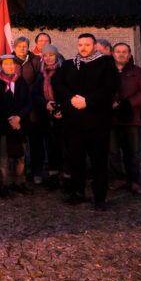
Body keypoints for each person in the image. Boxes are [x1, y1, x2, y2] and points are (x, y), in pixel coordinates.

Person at [53, 33, 119, 210]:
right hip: (74, 122)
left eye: (87, 45)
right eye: (80, 44)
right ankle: (78, 193)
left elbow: (109, 88)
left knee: (99, 161)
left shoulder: (106, 64)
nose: (83, 48)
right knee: (76, 160)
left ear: (94, 46)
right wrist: (71, 97)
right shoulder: (69, 65)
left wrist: (88, 101)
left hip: (97, 121)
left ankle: (100, 198)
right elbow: (57, 84)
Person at [109, 42, 141, 194]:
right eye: (118, 51)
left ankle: (134, 180)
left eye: (124, 52)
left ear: (129, 54)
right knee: (113, 151)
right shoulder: (108, 71)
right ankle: (118, 177)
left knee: (132, 152)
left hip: (131, 118)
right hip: (112, 118)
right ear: (113, 53)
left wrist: (128, 103)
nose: (121, 54)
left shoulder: (137, 72)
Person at [0, 54, 32, 197]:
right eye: (6, 64)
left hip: (20, 124)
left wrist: (19, 118)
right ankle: (3, 184)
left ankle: (19, 182)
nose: (9, 66)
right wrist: (11, 119)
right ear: (1, 65)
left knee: (20, 155)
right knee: (4, 156)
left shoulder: (20, 81)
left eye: (12, 64)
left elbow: (28, 102)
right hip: (5, 123)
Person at [30, 44, 66, 190]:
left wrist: (61, 107)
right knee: (49, 146)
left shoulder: (64, 72)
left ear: (56, 56)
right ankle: (53, 176)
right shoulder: (40, 75)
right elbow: (35, 95)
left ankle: (67, 176)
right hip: (45, 116)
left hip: (62, 115)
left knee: (63, 147)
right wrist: (46, 104)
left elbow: (68, 91)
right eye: (46, 55)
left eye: (51, 55)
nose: (49, 58)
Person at [13, 36, 43, 183]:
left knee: (36, 141)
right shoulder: (10, 62)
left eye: (25, 46)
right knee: (20, 142)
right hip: (17, 108)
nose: (22, 49)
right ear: (15, 48)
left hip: (34, 109)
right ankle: (21, 173)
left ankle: (37, 171)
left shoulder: (35, 61)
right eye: (19, 47)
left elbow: (40, 81)